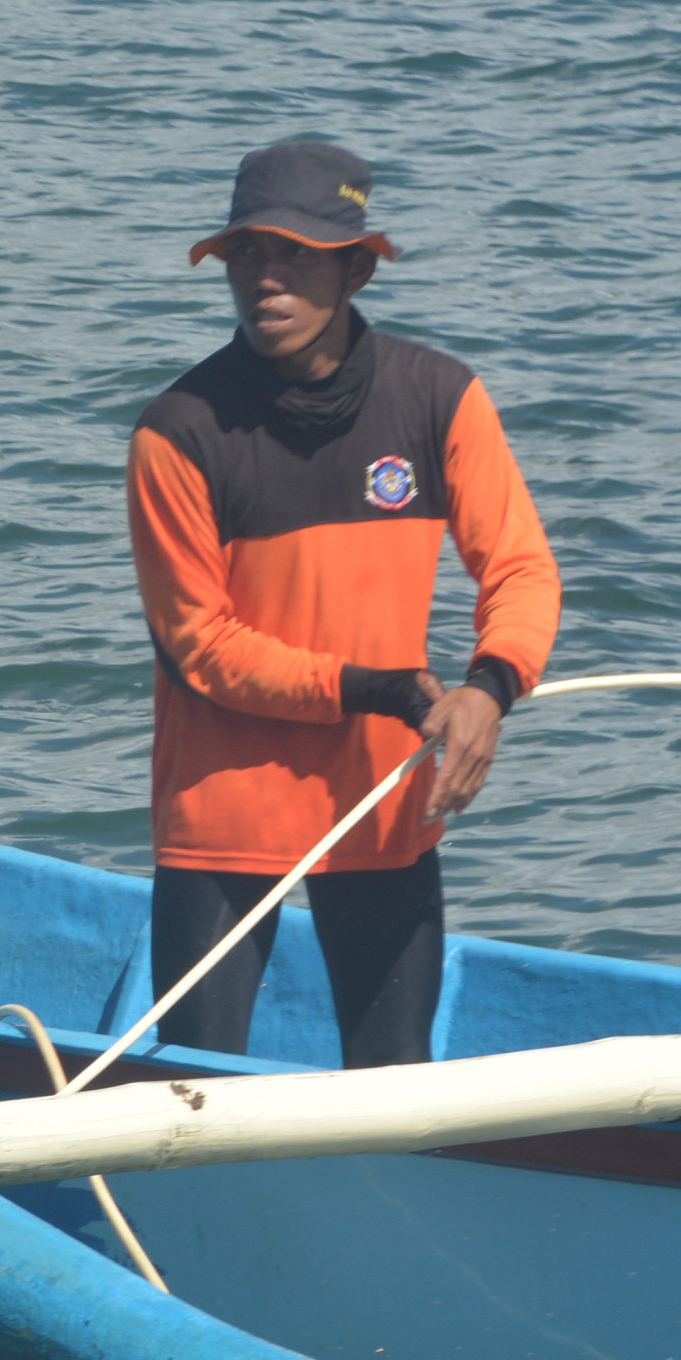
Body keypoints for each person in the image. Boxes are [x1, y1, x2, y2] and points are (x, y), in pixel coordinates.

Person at [126, 138, 560, 1067]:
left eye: (294, 255)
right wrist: (391, 692)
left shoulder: (440, 399)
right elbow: (202, 646)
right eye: (247, 253)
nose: (265, 279)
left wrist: (489, 685)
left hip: (384, 804)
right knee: (189, 1102)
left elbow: (521, 569)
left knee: (398, 1093)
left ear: (357, 268)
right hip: (225, 818)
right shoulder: (179, 432)